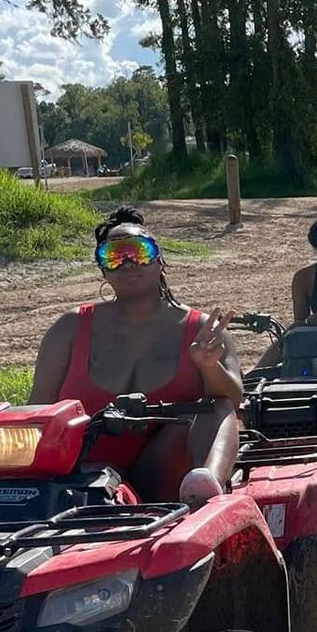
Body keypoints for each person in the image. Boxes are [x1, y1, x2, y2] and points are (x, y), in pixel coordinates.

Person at [30, 207, 244, 506]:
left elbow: (233, 399)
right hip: (82, 476)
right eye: (114, 256)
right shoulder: (69, 329)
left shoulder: (203, 330)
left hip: (164, 472)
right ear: (103, 271)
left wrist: (208, 367)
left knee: (214, 408)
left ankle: (206, 486)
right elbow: (36, 410)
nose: (128, 263)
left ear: (161, 263)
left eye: (140, 252)